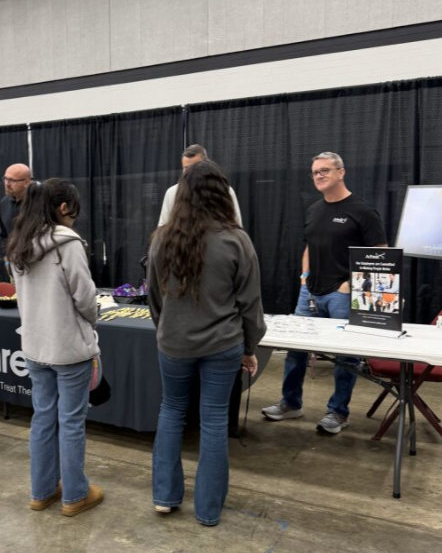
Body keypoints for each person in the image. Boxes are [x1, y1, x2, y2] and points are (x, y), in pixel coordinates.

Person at [147, 160, 266, 526]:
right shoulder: (236, 240)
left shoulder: (162, 238)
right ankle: (208, 510)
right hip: (222, 344)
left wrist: (165, 329)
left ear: (181, 195)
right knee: (213, 421)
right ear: (222, 194)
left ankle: (165, 497)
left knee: (171, 412)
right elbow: (250, 304)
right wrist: (250, 348)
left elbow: (153, 296)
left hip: (174, 344)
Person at [262, 152, 387, 434]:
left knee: (346, 357)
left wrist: (351, 285)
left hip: (342, 294)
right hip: (310, 293)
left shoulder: (363, 211)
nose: (319, 175)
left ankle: (338, 413)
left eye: (325, 170)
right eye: (315, 172)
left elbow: (381, 256)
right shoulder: (314, 210)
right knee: (295, 350)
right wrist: (304, 278)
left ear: (341, 172)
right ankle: (291, 404)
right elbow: (308, 247)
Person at [7, 178, 103, 517]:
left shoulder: (19, 243)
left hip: (34, 346)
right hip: (69, 348)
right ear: (63, 208)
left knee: (43, 419)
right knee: (72, 421)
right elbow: (85, 298)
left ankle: (42, 491)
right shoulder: (68, 243)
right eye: (73, 211)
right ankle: (75, 495)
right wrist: (94, 318)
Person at [158, 144, 242, 227]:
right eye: (186, 168)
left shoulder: (224, 190)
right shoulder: (172, 193)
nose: (189, 173)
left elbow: (236, 223)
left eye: (195, 167)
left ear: (206, 165)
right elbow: (163, 226)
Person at [0, 163, 32, 269]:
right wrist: (7, 258)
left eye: (12, 180)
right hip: (15, 264)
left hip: (39, 262)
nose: (7, 184)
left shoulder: (40, 202)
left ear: (26, 182)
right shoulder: (3, 203)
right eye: (5, 179)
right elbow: (3, 235)